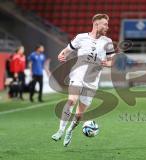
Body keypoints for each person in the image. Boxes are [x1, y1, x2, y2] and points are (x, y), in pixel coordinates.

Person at [51, 13, 115, 147]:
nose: (107, 27)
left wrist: (106, 63)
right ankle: (60, 130)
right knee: (71, 100)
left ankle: (70, 131)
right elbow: (66, 51)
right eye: (105, 24)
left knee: (80, 114)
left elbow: (112, 62)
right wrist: (61, 55)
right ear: (96, 24)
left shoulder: (108, 42)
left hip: (92, 80)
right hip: (78, 74)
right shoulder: (81, 37)